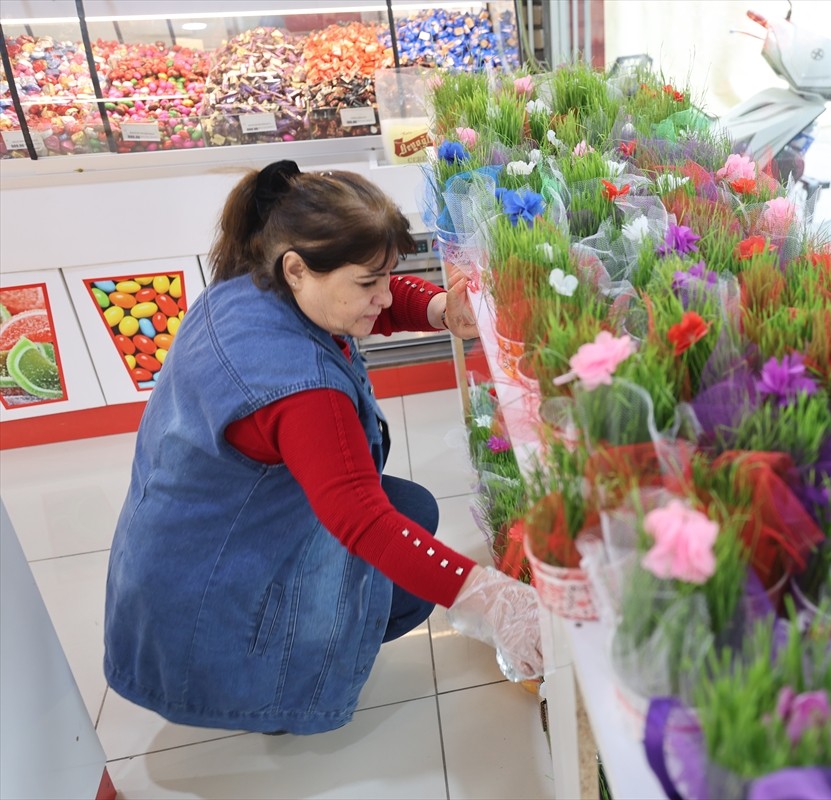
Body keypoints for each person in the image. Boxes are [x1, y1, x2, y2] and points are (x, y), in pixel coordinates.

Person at [103, 160, 542, 736]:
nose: (383, 297)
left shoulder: (247, 285)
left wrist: (437, 307)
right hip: (207, 606)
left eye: (388, 277)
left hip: (180, 557)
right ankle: (272, 692)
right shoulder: (303, 390)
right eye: (369, 283)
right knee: (406, 572)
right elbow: (361, 520)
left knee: (412, 508)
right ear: (297, 269)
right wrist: (489, 597)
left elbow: (362, 303)